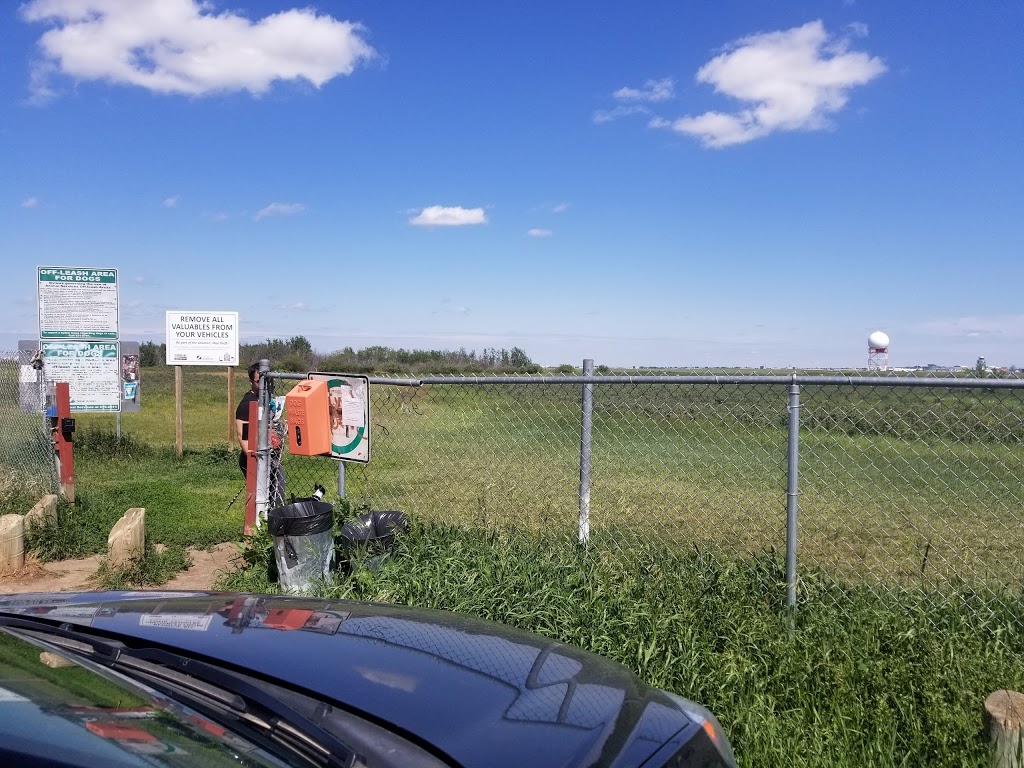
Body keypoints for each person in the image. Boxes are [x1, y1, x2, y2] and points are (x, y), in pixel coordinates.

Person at [235, 362, 286, 506]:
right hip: (255, 457)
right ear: (251, 382)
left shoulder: (266, 399)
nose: (264, 385)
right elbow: (242, 435)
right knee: (262, 498)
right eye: (259, 382)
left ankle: (269, 522)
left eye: (267, 381)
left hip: (270, 455)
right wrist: (255, 461)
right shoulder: (248, 404)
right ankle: (259, 525)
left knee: (276, 495)